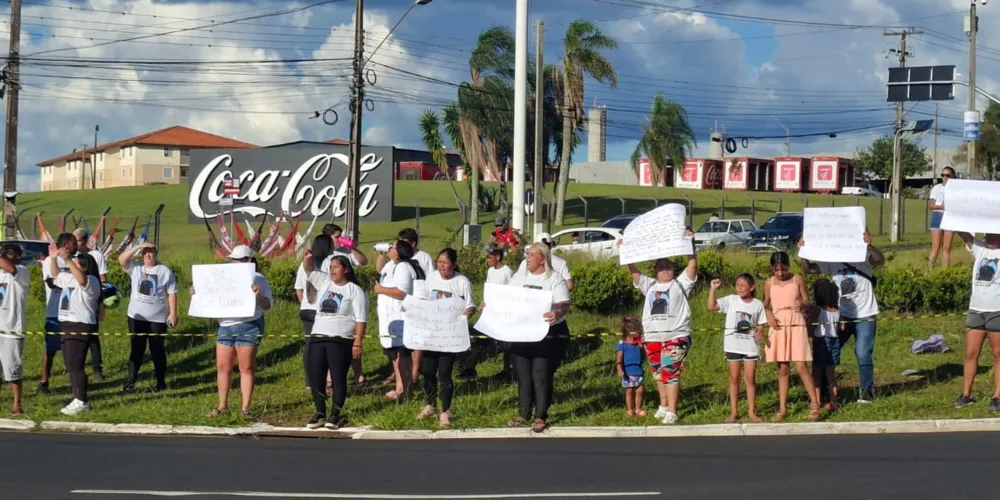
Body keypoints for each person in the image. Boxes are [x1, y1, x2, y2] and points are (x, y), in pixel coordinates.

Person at [489, 242, 570, 433]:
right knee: (523, 375)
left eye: (532, 255)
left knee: (540, 375)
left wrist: (557, 313)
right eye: (527, 254)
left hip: (548, 334)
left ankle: (540, 415)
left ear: (542, 259)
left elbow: (564, 304)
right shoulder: (519, 277)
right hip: (522, 333)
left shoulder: (554, 279)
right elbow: (507, 299)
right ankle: (523, 413)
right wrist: (490, 304)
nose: (527, 258)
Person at [799, 231, 885, 403]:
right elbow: (808, 269)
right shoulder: (831, 258)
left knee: (862, 352)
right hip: (841, 315)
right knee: (827, 349)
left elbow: (879, 260)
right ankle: (823, 391)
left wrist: (870, 246)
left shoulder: (862, 254)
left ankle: (867, 390)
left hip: (865, 314)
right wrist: (803, 251)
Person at [625, 233, 697, 425]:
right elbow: (634, 272)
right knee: (658, 373)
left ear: (673, 270)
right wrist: (626, 250)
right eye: (661, 267)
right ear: (655, 271)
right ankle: (663, 404)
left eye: (668, 267)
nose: (664, 270)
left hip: (675, 336)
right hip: (652, 338)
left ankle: (673, 411)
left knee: (670, 372)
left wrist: (690, 244)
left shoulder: (680, 284)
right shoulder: (650, 285)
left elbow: (692, 265)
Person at [200, 245, 272, 418]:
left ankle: (245, 409)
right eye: (233, 259)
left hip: (249, 324)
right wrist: (198, 293)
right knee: (223, 366)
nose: (235, 263)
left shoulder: (259, 278)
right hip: (225, 326)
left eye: (240, 260)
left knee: (246, 367)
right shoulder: (223, 277)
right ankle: (222, 406)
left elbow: (267, 305)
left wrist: (258, 296)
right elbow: (210, 294)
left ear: (249, 260)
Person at [302, 253, 367, 429]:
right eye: (330, 267)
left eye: (336, 267)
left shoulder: (354, 290)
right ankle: (320, 412)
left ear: (345, 269)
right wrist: (308, 257)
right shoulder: (325, 283)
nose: (332, 271)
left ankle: (335, 414)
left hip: (340, 339)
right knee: (316, 375)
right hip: (318, 336)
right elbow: (308, 269)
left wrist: (358, 341)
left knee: (338, 377)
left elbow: (361, 319)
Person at [418, 248, 476, 427]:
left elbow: (471, 306)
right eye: (439, 262)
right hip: (432, 332)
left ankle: (445, 411)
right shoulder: (431, 278)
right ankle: (430, 405)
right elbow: (423, 301)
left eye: (445, 262)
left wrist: (463, 317)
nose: (441, 266)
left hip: (450, 335)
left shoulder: (462, 282)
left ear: (454, 264)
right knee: (428, 371)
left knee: (444, 373)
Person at [49, 234, 102, 416]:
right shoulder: (70, 278)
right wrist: (54, 258)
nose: (73, 266)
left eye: (78, 264)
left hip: (80, 325)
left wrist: (69, 260)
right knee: (70, 364)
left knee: (75, 364)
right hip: (67, 324)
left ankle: (81, 400)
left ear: (85, 266)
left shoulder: (91, 281)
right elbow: (56, 275)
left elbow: (82, 280)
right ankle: (77, 397)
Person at [764, 251, 820, 421]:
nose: (781, 273)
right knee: (783, 369)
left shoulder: (797, 279)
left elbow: (807, 300)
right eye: (777, 270)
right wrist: (769, 315)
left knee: (801, 366)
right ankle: (782, 409)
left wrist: (802, 304)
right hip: (778, 324)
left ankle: (815, 403)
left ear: (789, 266)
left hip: (795, 322)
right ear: (772, 269)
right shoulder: (769, 283)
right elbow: (764, 304)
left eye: (784, 269)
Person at [118, 242, 178, 393]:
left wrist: (173, 313)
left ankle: (161, 382)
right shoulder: (135, 267)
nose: (148, 255)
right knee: (137, 350)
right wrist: (138, 247)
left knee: (157, 350)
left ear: (156, 254)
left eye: (151, 252)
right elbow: (122, 259)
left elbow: (171, 292)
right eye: (145, 252)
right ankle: (130, 382)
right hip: (136, 317)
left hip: (157, 318)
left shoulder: (164, 271)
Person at [707, 274, 767, 423]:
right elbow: (711, 306)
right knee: (734, 378)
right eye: (737, 285)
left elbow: (761, 324)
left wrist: (760, 332)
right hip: (733, 345)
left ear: (751, 287)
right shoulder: (731, 300)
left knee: (750, 379)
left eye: (742, 285)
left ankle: (752, 411)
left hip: (750, 347)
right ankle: (734, 412)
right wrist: (713, 289)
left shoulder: (758, 304)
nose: (739, 288)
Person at [953, 230, 1000, 411]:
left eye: (992, 233)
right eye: (986, 232)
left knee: (998, 354)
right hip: (976, 310)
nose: (987, 236)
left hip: (997, 310)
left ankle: (997, 397)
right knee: (971, 353)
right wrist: (952, 218)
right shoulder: (980, 249)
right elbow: (965, 235)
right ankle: (966, 395)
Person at [374, 239, 426, 402]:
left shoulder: (403, 267)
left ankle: (406, 390)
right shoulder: (393, 265)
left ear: (399, 252)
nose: (390, 248)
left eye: (393, 247)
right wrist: (381, 253)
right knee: (395, 356)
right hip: (390, 317)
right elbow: (380, 269)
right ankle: (400, 388)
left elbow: (402, 292)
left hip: (399, 317)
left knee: (401, 355)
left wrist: (381, 289)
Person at [72, 228, 107, 382]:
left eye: (78, 241)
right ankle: (76, 368)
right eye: (73, 241)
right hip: (75, 303)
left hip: (92, 299)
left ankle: (97, 368)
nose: (75, 244)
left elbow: (103, 279)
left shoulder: (96, 255)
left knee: (93, 337)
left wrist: (100, 303)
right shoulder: (72, 258)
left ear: (85, 240)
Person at [0, 244, 28, 416]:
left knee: (13, 369)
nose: (6, 256)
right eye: (5, 253)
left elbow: (10, 268)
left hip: (11, 329)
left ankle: (17, 404)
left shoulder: (21, 272)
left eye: (11, 253)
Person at [809, 278, 841, 413]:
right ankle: (834, 402)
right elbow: (842, 327)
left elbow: (811, 328)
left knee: (816, 376)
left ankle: (816, 402)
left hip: (821, 342)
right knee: (831, 376)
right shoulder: (837, 310)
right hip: (835, 341)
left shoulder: (818, 310)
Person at [36, 246, 63, 394]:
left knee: (72, 350)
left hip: (73, 314)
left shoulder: (76, 260)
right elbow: (51, 283)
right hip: (54, 312)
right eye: (72, 244)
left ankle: (76, 382)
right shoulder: (49, 261)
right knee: (50, 349)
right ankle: (44, 381)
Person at [484, 244, 514, 377]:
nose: (487, 260)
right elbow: (488, 288)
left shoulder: (507, 272)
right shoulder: (490, 271)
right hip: (492, 311)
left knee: (507, 342)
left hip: (505, 311)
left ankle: (509, 368)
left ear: (497, 256)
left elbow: (513, 291)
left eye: (489, 257)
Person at [616, 316, 646, 418]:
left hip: (638, 371)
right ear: (630, 331)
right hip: (628, 373)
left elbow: (644, 355)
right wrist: (619, 368)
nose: (640, 332)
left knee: (640, 390)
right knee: (629, 391)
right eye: (638, 330)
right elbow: (619, 357)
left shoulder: (638, 344)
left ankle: (638, 409)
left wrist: (643, 345)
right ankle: (629, 410)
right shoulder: (622, 343)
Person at [928, 167, 956, 268]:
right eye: (943, 175)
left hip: (950, 217)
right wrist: (942, 206)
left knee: (946, 247)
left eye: (947, 175)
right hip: (938, 215)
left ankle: (945, 271)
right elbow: (931, 205)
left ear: (952, 176)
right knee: (935, 247)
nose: (945, 177)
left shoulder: (956, 189)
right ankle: (930, 269)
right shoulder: (937, 188)